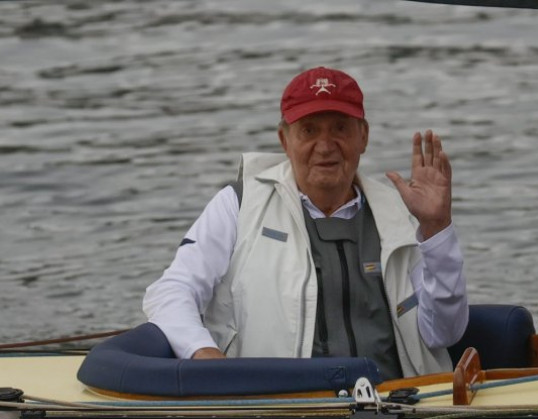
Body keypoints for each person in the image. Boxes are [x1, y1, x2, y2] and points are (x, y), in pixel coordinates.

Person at [143, 66, 468, 380]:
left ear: (363, 137)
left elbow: (445, 332)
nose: (325, 146)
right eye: (309, 130)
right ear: (285, 141)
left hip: (400, 405)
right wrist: (202, 352)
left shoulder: (401, 213)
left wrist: (436, 229)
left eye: (340, 128)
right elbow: (170, 292)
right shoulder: (238, 205)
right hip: (277, 409)